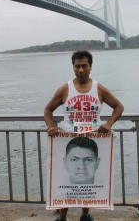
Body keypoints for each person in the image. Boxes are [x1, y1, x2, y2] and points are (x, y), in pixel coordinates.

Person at [44, 50, 124, 221]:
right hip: (68, 138)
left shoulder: (98, 88)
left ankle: (85, 214)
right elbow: (48, 109)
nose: (81, 70)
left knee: (88, 180)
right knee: (66, 180)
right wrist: (51, 126)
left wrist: (109, 124)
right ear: (73, 67)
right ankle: (62, 217)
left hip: (92, 138)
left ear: (90, 67)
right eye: (77, 66)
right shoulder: (66, 88)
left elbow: (118, 106)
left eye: (84, 66)